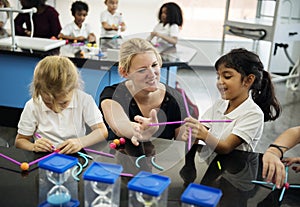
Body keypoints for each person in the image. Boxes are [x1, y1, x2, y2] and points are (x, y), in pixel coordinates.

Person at [180, 48, 281, 184]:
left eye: (227, 76)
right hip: (215, 167)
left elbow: (226, 148)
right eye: (218, 76)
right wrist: (192, 132)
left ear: (248, 80)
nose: (219, 82)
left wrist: (203, 134)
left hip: (236, 178)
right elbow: (200, 128)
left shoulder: (253, 114)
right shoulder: (220, 104)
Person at [99, 38, 191, 146]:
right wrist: (138, 130)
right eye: (142, 70)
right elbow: (120, 125)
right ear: (124, 72)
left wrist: (191, 137)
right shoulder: (111, 95)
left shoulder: (175, 99)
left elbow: (181, 145)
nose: (152, 74)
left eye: (154, 65)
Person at [15, 56, 108, 154]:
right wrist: (33, 146)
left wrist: (80, 142)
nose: (56, 109)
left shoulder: (84, 100)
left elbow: (102, 131)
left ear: (74, 88)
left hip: (76, 155)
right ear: (38, 91)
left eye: (63, 103)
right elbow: (20, 141)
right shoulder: (33, 105)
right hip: (43, 157)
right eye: (48, 103)